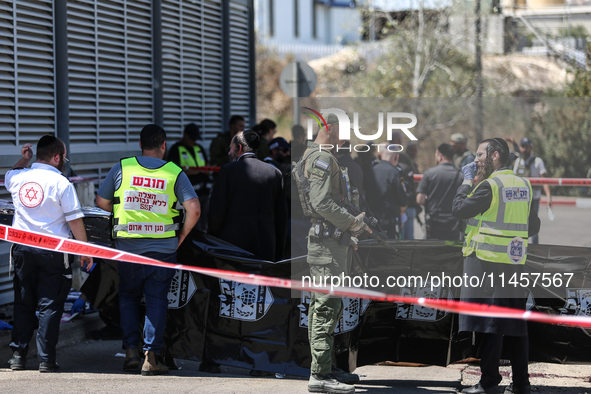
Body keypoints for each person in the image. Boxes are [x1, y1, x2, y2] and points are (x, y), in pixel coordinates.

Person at [96, 124, 200, 376]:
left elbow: (101, 203)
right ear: (163, 145)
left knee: (128, 297)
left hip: (127, 248)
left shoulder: (123, 167)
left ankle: (131, 351)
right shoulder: (174, 172)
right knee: (156, 300)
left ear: (140, 144)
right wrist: (182, 235)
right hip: (162, 249)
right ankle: (151, 356)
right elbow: (194, 209)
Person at [452, 138, 540, 394]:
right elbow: (533, 226)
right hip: (515, 263)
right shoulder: (524, 184)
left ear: (495, 156)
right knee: (515, 323)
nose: (476, 159)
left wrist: (467, 181)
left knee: (492, 324)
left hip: (489, 263)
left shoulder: (490, 186)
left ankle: (489, 382)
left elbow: (458, 208)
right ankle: (521, 383)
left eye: (480, 155)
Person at [293, 112, 372, 394]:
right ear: (330, 128)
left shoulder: (313, 156)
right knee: (326, 307)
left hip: (330, 242)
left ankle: (325, 367)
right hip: (328, 244)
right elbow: (321, 202)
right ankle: (320, 376)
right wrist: (352, 223)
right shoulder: (323, 158)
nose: (347, 136)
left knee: (326, 306)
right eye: (344, 130)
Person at [5, 136, 93, 372]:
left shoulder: (19, 177)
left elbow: (9, 176)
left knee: (23, 302)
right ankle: (46, 360)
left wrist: (24, 160)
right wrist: (85, 250)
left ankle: (17, 357)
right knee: (50, 304)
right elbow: (75, 221)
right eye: (63, 157)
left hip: (22, 249)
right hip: (53, 252)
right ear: (56, 157)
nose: (64, 161)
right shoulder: (61, 183)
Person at [208, 131, 288, 262]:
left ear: (239, 148)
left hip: (232, 247)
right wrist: (279, 253)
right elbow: (282, 218)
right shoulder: (275, 173)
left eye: (231, 149)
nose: (229, 153)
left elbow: (216, 213)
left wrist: (213, 241)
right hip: (266, 246)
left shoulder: (227, 171)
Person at [167, 123, 210, 231]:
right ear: (185, 135)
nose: (194, 141)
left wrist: (201, 170)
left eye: (196, 139)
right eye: (192, 138)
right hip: (188, 196)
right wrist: (195, 171)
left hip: (204, 192)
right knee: (192, 226)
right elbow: (172, 173)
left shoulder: (198, 148)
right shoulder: (176, 149)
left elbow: (207, 166)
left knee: (204, 224)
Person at [416, 143, 463, 240]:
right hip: (454, 223)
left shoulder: (430, 173)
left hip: (434, 222)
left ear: (440, 156)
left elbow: (420, 200)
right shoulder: (460, 175)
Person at [512, 137, 551, 244]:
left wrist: (548, 197)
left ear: (531, 148)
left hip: (534, 198)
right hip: (518, 199)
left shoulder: (538, 161)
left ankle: (535, 249)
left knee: (532, 224)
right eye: (523, 147)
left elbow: (545, 180)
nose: (525, 149)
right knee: (518, 224)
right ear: (520, 147)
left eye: (527, 147)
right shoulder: (518, 161)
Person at [366, 144, 408, 239]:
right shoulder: (394, 172)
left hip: (372, 222)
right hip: (390, 223)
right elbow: (403, 200)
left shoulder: (371, 171)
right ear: (396, 157)